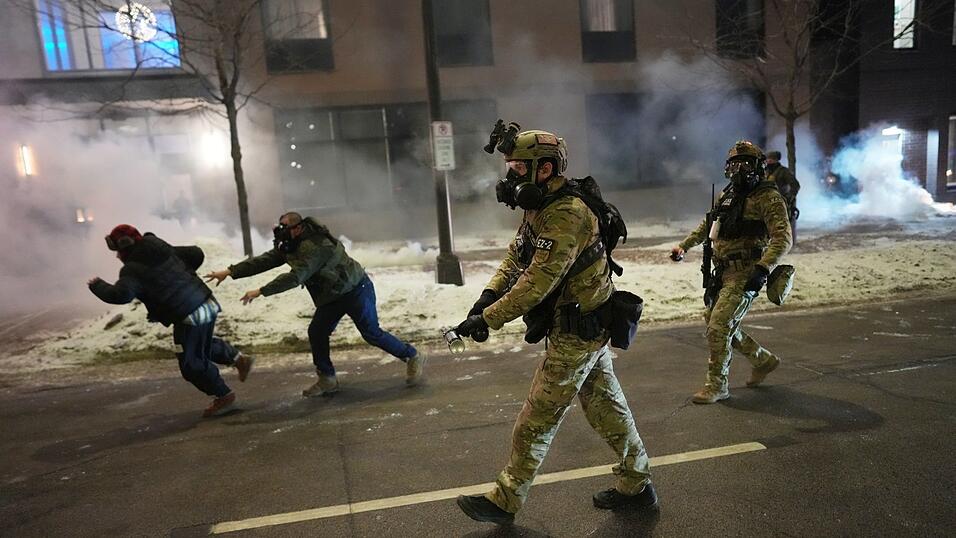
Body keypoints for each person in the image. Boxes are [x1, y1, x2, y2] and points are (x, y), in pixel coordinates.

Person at [453, 128, 655, 525]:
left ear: (544, 169)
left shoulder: (567, 214)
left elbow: (537, 281)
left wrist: (489, 319)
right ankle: (637, 482)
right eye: (509, 168)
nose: (510, 178)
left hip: (577, 332)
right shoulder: (540, 206)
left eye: (517, 168)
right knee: (606, 409)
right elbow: (517, 258)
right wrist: (486, 298)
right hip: (579, 327)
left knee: (535, 420)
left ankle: (505, 499)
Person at [205, 212, 425, 396]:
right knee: (317, 332)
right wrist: (230, 272)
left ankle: (411, 355)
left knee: (371, 333)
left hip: (356, 290)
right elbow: (264, 261)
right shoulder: (292, 244)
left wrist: (261, 291)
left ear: (298, 228)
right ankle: (327, 379)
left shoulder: (314, 246)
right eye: (279, 228)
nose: (281, 232)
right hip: (331, 297)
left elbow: (295, 277)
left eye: (285, 227)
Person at [671, 141, 792, 404]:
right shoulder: (728, 195)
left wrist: (763, 268)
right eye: (734, 164)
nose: (738, 170)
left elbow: (783, 238)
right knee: (716, 321)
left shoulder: (767, 197)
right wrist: (684, 246)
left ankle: (717, 385)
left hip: (746, 272)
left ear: (757, 167)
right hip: (722, 273)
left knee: (718, 325)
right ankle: (763, 360)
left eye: (745, 164)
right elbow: (708, 224)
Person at [88, 225, 253, 418]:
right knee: (199, 345)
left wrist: (97, 286)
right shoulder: (161, 247)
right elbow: (195, 254)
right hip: (207, 302)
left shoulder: (132, 270)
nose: (117, 256)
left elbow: (121, 295)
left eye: (117, 251)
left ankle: (223, 396)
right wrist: (183, 275)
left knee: (191, 363)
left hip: (188, 313)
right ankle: (238, 359)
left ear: (124, 247)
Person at [766, 150, 800, 244]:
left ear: (776, 160)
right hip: (766, 203)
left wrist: (789, 198)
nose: (769, 161)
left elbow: (795, 185)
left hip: (780, 203)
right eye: (768, 159)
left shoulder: (783, 171)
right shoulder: (766, 172)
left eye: (771, 159)